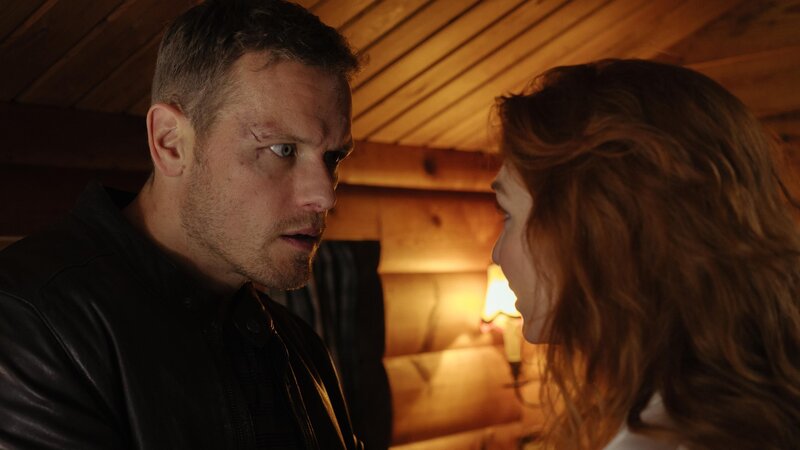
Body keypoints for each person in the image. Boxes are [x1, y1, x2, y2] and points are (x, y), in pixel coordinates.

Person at [0, 0, 363, 448]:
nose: (325, 195)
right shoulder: (29, 324)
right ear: (170, 142)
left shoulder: (299, 348)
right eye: (282, 149)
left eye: (333, 158)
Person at [491, 59, 800, 450]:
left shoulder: (671, 436)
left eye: (507, 214)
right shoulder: (752, 400)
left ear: (595, 225)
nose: (497, 254)